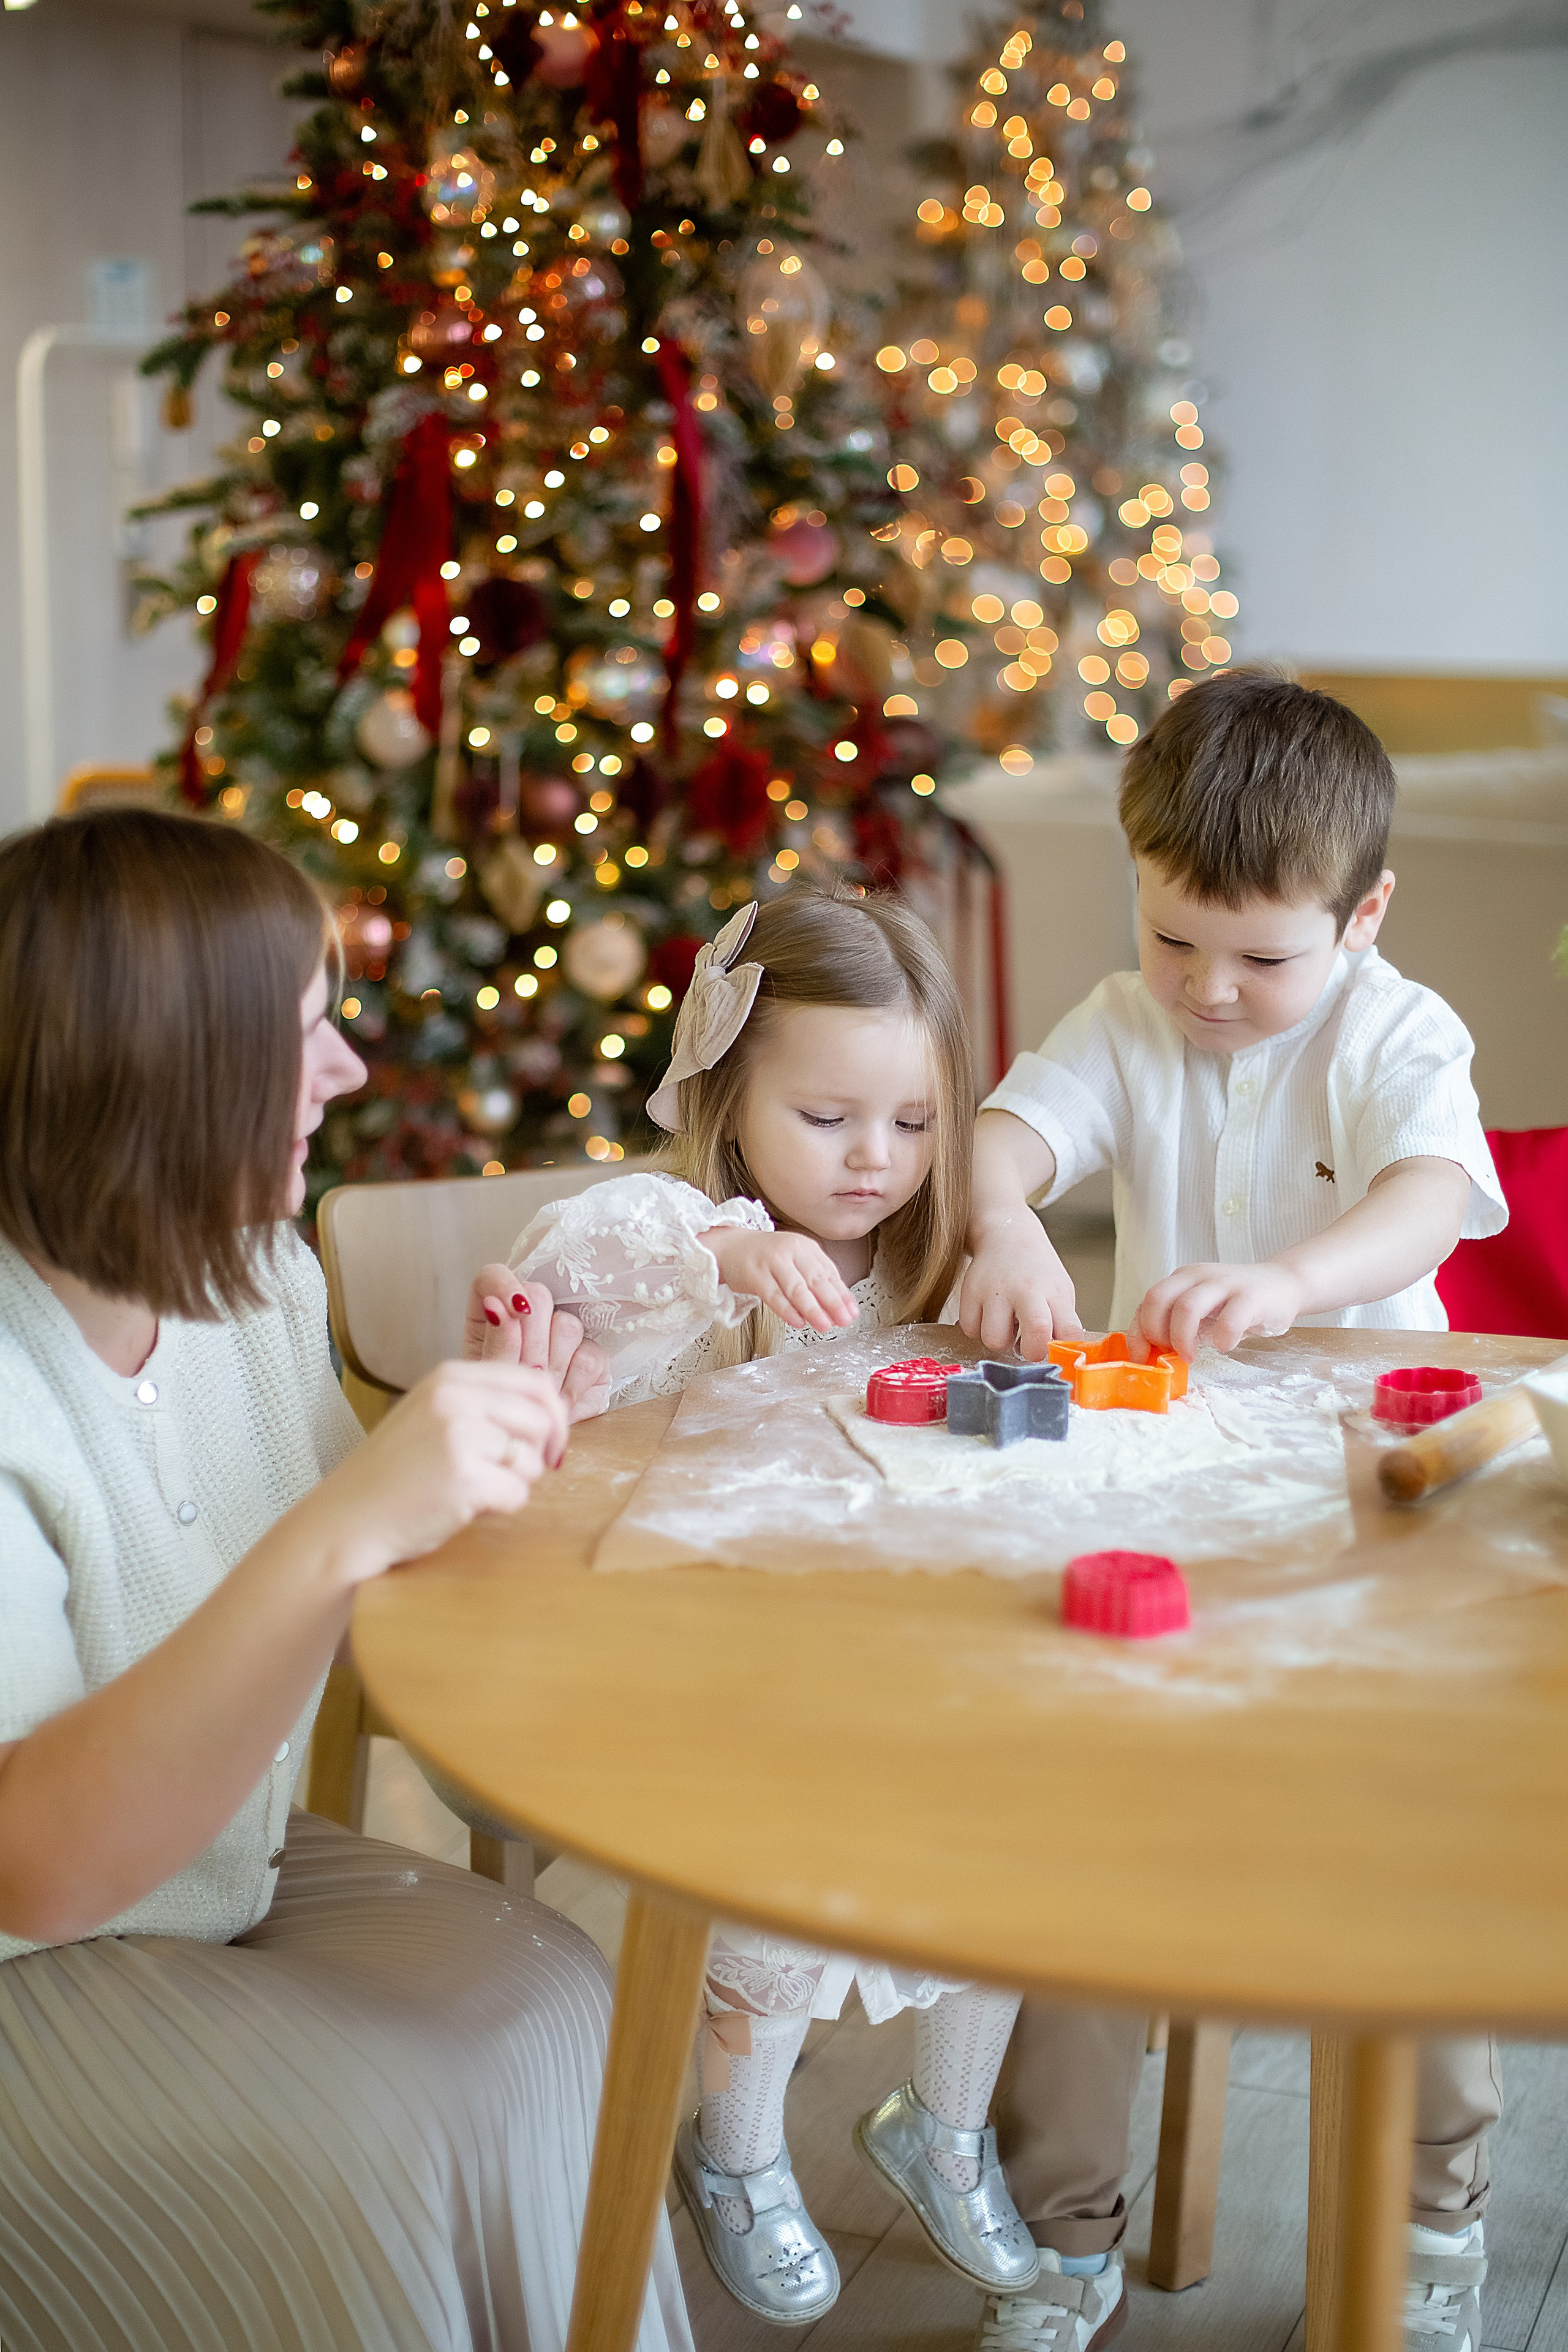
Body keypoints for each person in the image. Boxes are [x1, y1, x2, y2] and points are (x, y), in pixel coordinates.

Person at [0, 805, 692, 2352]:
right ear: (159, 1068)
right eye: (304, 1033)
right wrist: (354, 1515)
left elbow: (348, 1561)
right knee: (371, 2140)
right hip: (35, 1955)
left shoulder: (251, 1274)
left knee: (563, 1994)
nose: (352, 1074)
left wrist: (494, 1428)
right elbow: (34, 1865)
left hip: (210, 1875)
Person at [960, 669, 1507, 2352]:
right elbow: (1010, 1132)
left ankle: (1434, 2211)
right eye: (1174, 937)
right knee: (1087, 1826)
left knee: (1410, 1840)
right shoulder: (1130, 1018)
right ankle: (1066, 2230)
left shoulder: (1396, 1029)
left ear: (1364, 917)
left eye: (1263, 957)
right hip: (1167, 1485)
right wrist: (1007, 1222)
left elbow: (1430, 1196)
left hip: (1383, 1487)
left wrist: (1293, 1277)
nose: (1207, 991)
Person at [472, 890, 1038, 2326]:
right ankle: (733, 2161)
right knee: (775, 1906)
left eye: (913, 1125)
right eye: (829, 1117)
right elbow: (566, 1252)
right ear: (727, 1099)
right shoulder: (676, 1230)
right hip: (663, 1657)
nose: (874, 1162)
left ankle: (944, 2128)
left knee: (1003, 1845)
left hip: (844, 1650)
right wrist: (722, 1251)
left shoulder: (918, 1262)